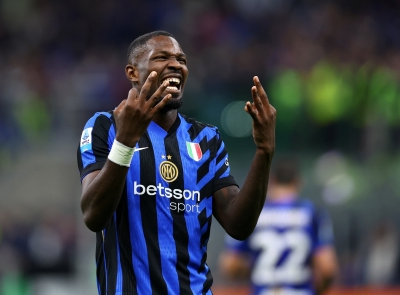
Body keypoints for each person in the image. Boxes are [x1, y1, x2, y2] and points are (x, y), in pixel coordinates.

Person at [77, 30, 276, 295]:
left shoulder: (207, 139)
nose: (176, 65)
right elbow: (94, 216)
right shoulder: (105, 127)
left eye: (181, 60)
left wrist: (264, 152)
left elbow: (238, 225)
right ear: (132, 72)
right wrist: (125, 141)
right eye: (161, 57)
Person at [219, 160, 338, 295]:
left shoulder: (252, 213)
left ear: (272, 181)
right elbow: (327, 268)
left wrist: (256, 266)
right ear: (298, 182)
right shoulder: (313, 213)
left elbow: (230, 265)